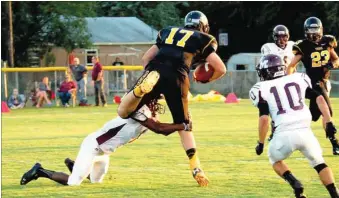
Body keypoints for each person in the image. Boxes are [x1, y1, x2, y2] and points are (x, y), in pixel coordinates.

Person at [117, 11, 226, 186]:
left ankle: (141, 94)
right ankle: (195, 166)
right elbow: (221, 69)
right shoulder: (204, 38)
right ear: (203, 26)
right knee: (185, 124)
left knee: (123, 111)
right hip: (177, 76)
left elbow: (146, 58)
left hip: (153, 71)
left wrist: (150, 78)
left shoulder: (167, 31)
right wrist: (206, 79)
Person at [20, 98, 193, 186]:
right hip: (93, 146)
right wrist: (182, 125)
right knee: (73, 183)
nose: (156, 104)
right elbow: (159, 129)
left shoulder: (149, 114)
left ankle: (76, 166)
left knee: (96, 182)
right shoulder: (136, 109)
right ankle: (40, 171)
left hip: (104, 153)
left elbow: (160, 127)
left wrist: (179, 125)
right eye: (154, 101)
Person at [250, 54, 339, 198]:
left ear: (265, 71)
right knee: (319, 163)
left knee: (275, 160)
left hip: (283, 134)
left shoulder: (261, 88)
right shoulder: (298, 78)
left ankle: (295, 184)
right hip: (305, 132)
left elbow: (264, 119)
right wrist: (328, 121)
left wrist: (260, 143)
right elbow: (320, 98)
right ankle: (334, 194)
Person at [286, 17, 339, 155]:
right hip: (312, 82)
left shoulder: (327, 41)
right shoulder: (303, 45)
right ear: (306, 31)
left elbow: (336, 59)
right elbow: (291, 65)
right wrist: (289, 81)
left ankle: (291, 130)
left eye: (316, 29)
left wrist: (332, 64)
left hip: (324, 82)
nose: (313, 32)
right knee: (328, 112)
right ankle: (335, 143)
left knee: (316, 115)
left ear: (321, 29)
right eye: (311, 29)